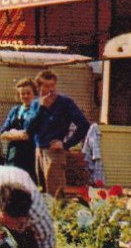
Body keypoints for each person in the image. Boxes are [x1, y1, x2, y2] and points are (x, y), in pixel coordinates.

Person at [24, 69, 90, 197]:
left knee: (55, 193)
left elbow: (84, 125)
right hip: (39, 150)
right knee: (41, 192)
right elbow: (28, 129)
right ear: (39, 88)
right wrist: (41, 108)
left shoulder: (65, 103)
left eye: (53, 85)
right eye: (47, 86)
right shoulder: (36, 104)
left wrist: (66, 144)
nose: (51, 90)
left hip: (55, 152)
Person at [0, 77, 38, 179]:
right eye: (22, 93)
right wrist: (17, 134)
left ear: (34, 94)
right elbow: (3, 132)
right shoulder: (15, 110)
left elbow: (27, 135)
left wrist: (12, 132)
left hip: (30, 156)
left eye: (28, 93)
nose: (25, 96)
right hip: (12, 154)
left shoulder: (37, 111)